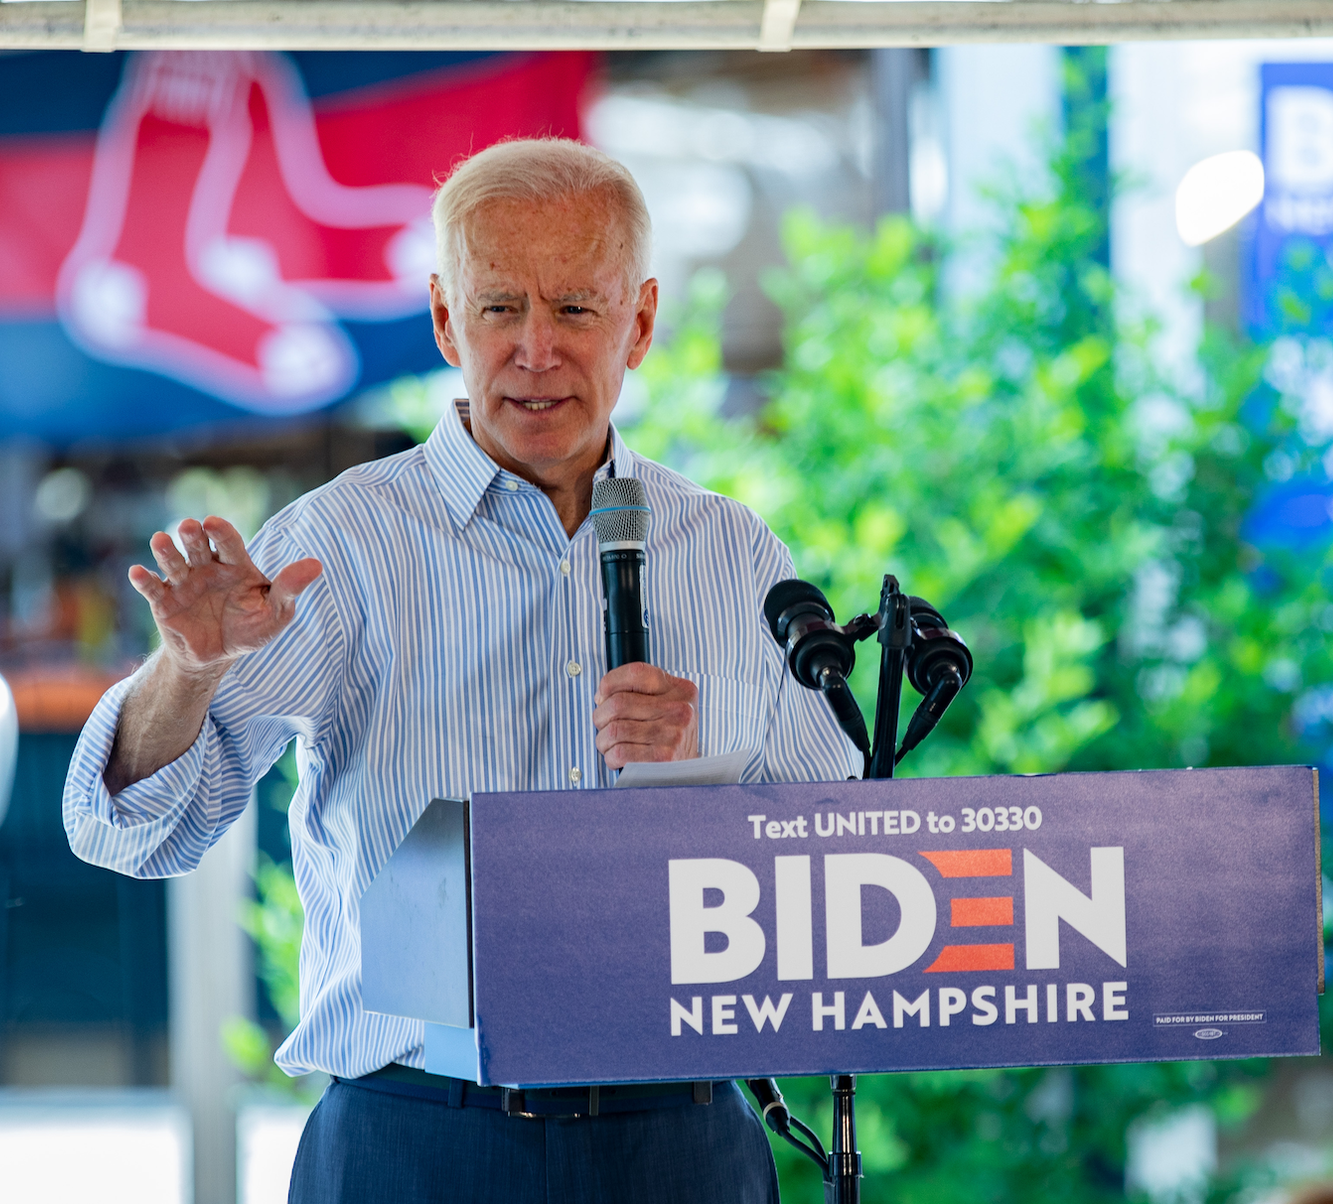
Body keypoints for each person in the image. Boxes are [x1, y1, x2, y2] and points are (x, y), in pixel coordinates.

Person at [62, 137, 854, 1203]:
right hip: (416, 1137)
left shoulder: (734, 552)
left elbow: (836, 858)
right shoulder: (337, 545)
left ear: (643, 321)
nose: (536, 350)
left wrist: (700, 777)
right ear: (444, 320)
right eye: (498, 309)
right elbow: (131, 830)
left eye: (576, 307)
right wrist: (186, 671)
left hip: (681, 1135)